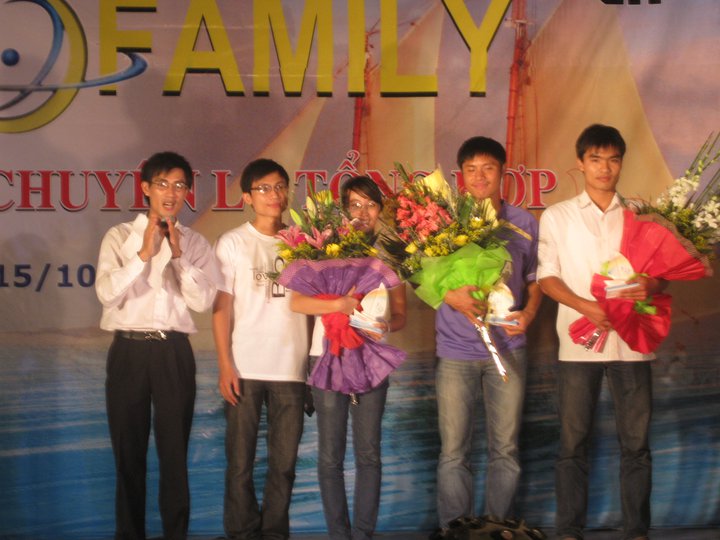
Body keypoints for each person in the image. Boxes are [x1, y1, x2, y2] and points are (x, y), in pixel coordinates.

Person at [537, 124, 664, 540]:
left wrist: (651, 284)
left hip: (633, 343)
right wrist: (585, 306)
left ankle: (637, 531)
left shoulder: (641, 213)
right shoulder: (558, 216)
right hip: (579, 346)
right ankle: (569, 530)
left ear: (621, 163)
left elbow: (662, 273)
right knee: (572, 443)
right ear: (580, 163)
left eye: (613, 159)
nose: (604, 168)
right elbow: (546, 278)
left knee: (636, 445)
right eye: (595, 159)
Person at [95, 151, 221, 540]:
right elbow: (106, 293)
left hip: (173, 352)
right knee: (128, 454)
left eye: (180, 185)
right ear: (146, 188)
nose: (171, 193)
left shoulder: (194, 242)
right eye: (163, 184)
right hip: (129, 351)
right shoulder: (119, 237)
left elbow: (202, 301)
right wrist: (143, 254)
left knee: (174, 456)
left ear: (187, 193)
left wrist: (178, 257)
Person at [432, 137, 542, 538]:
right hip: (455, 351)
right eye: (471, 169)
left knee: (506, 449)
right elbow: (420, 277)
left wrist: (528, 313)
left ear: (502, 173)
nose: (480, 177)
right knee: (453, 452)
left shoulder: (524, 223)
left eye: (488, 168)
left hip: (508, 348)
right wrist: (451, 297)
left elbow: (536, 280)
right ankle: (454, 530)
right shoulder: (442, 223)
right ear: (461, 176)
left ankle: (499, 529)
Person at [287, 176, 407, 540]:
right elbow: (297, 303)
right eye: (355, 204)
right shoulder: (326, 250)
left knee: (369, 453)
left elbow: (401, 315)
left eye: (371, 205)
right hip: (328, 355)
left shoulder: (390, 253)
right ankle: (339, 534)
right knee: (330, 456)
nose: (363, 212)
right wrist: (339, 305)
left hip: (372, 358)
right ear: (343, 209)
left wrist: (386, 325)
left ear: (380, 210)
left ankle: (364, 534)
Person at [213, 158, 309, 540]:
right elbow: (221, 308)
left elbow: (314, 306)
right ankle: (241, 533)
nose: (274, 195)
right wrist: (225, 364)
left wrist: (312, 366)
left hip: (291, 367)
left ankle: (274, 533)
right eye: (264, 188)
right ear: (247, 197)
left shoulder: (303, 242)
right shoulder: (233, 242)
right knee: (240, 464)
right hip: (245, 367)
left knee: (283, 466)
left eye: (280, 187)